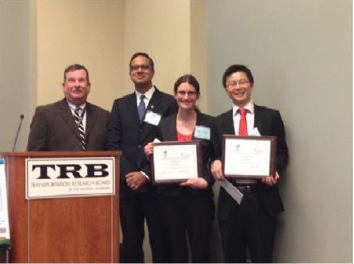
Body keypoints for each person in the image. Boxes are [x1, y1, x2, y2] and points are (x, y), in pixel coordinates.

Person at [211, 64, 289, 263]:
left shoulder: (271, 116)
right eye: (232, 83)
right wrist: (216, 162)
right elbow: (213, 154)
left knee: (262, 257)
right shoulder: (218, 122)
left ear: (252, 85)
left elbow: (281, 152)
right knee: (232, 257)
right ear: (227, 89)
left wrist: (275, 169)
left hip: (261, 199)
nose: (238, 87)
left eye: (242, 82)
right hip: (231, 198)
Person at [106, 52, 178, 263]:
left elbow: (170, 142)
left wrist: (145, 174)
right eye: (135, 68)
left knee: (160, 241)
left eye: (144, 67)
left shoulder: (168, 103)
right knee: (130, 243)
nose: (139, 70)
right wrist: (130, 175)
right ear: (130, 73)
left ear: (152, 71)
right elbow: (113, 143)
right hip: (127, 187)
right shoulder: (120, 104)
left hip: (157, 185)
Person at [144, 74, 219, 263]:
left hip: (199, 197)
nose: (186, 97)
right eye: (182, 92)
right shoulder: (164, 124)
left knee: (201, 250)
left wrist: (207, 180)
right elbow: (159, 157)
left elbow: (217, 157)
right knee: (175, 251)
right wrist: (149, 153)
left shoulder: (210, 123)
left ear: (197, 95)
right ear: (175, 94)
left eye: (191, 93)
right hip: (169, 198)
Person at [27, 64, 109, 151]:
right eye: (72, 80)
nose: (77, 85)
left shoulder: (104, 117)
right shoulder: (45, 114)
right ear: (64, 87)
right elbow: (34, 153)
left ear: (88, 87)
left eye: (81, 80)